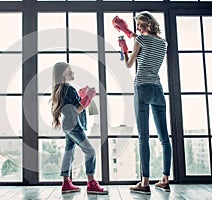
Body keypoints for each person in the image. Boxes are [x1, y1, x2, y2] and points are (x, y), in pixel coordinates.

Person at [112, 11, 172, 194]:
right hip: (157, 89)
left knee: (143, 137)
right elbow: (144, 40)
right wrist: (130, 33)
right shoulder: (163, 43)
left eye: (139, 25)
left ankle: (144, 183)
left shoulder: (141, 41)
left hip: (142, 88)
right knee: (164, 138)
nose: (137, 28)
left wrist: (123, 47)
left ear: (146, 24)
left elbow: (129, 64)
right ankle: (165, 180)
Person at [51, 62, 108, 195]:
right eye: (70, 70)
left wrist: (82, 95)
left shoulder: (61, 89)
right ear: (64, 72)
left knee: (69, 152)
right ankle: (91, 183)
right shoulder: (68, 89)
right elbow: (77, 109)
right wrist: (89, 96)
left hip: (68, 125)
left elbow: (72, 106)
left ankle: (66, 183)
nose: (73, 72)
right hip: (74, 126)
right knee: (90, 151)